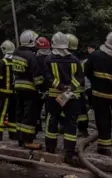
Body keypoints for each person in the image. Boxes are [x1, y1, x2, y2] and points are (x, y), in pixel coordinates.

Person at [43, 33, 83, 163]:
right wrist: (69, 88)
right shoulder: (75, 60)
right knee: (71, 122)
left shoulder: (48, 59)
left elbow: (47, 78)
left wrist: (60, 87)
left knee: (52, 119)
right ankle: (69, 151)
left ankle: (50, 147)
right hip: (71, 96)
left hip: (54, 96)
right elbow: (80, 78)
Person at [13, 30, 45, 149]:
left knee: (20, 113)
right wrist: (42, 88)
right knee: (29, 115)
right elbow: (36, 74)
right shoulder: (30, 55)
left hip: (18, 87)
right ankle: (28, 141)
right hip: (30, 89)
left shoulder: (16, 52)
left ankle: (20, 139)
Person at [0, 40, 17, 141]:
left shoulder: (2, 62)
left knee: (0, 115)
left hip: (4, 94)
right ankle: (13, 134)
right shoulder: (17, 61)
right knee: (13, 115)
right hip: (15, 94)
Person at [67, 34, 88, 137]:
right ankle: (83, 130)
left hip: (68, 90)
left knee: (66, 110)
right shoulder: (76, 58)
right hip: (78, 89)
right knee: (82, 112)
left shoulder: (65, 59)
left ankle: (66, 128)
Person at [34, 36, 51, 135]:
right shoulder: (52, 58)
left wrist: (39, 86)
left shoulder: (36, 58)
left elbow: (35, 73)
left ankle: (37, 127)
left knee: (37, 110)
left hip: (38, 88)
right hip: (50, 87)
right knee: (49, 110)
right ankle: (49, 129)